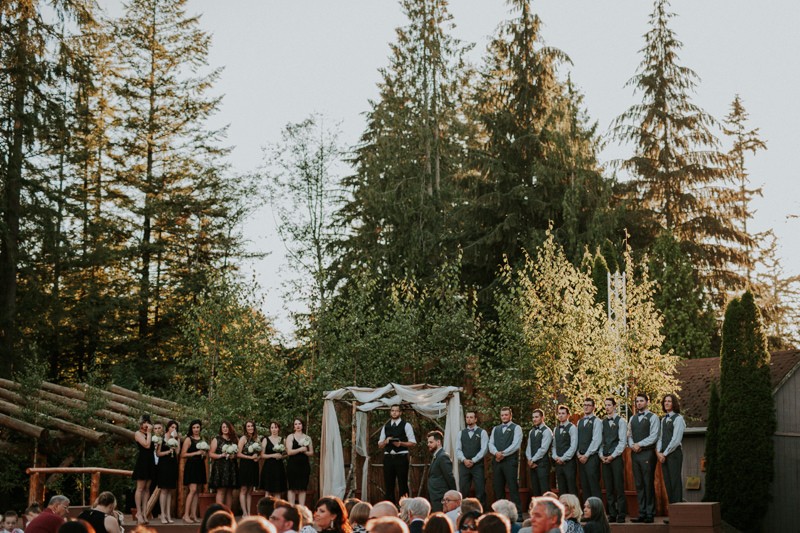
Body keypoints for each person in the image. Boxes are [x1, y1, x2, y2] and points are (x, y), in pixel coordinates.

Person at [628, 393, 659, 524]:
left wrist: (639, 444)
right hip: (635, 454)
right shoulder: (632, 418)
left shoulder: (653, 417)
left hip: (647, 453)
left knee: (648, 483)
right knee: (639, 484)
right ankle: (642, 512)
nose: (639, 403)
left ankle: (650, 513)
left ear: (647, 402)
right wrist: (632, 445)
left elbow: (654, 436)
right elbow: (628, 435)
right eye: (637, 401)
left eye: (641, 401)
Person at [488, 407, 522, 517]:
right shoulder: (496, 429)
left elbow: (516, 444)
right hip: (497, 461)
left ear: (510, 416)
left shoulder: (516, 428)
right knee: (498, 488)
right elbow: (490, 444)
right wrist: (496, 453)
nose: (504, 417)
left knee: (513, 488)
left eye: (506, 415)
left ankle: (518, 515)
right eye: (502, 415)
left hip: (510, 462)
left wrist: (503, 454)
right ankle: (500, 514)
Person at [379, 405, 416, 504]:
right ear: (390, 412)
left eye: (396, 411)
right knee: (388, 485)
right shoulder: (385, 426)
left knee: (403, 484)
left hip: (401, 458)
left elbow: (413, 442)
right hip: (388, 458)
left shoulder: (406, 425)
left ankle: (404, 507)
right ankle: (389, 508)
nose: (394, 412)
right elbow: (380, 445)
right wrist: (386, 441)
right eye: (392, 411)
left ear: (400, 413)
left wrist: (401, 443)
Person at [599, 398, 626, 524]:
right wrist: (601, 456)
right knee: (608, 487)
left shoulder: (621, 421)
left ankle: (621, 514)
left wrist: (612, 456)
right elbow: (601, 441)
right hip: (605, 458)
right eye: (606, 405)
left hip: (616, 458)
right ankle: (612, 513)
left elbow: (622, 442)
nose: (607, 407)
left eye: (609, 405)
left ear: (614, 406)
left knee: (618, 486)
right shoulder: (602, 422)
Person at [657, 393, 685, 510]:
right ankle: (672, 512)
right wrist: (659, 452)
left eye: (669, 401)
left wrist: (665, 453)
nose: (666, 403)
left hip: (674, 454)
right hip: (664, 455)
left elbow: (676, 439)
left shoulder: (678, 418)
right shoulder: (663, 419)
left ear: (674, 403)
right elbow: (660, 437)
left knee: (675, 482)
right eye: (665, 401)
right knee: (668, 483)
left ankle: (678, 511)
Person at [456, 411, 487, 507]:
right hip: (464, 465)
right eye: (467, 417)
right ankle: (463, 512)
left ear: (476, 419)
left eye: (471, 417)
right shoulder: (461, 433)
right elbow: (458, 449)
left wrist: (473, 460)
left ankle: (480, 514)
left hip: (477, 465)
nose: (469, 419)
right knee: (463, 490)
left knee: (480, 490)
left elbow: (484, 449)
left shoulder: (482, 432)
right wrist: (464, 460)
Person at [576, 398, 602, 502]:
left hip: (592, 457)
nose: (586, 407)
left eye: (588, 405)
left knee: (593, 485)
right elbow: (577, 439)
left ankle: (597, 512)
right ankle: (588, 512)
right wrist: (578, 454)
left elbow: (596, 439)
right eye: (584, 405)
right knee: (584, 485)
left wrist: (586, 455)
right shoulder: (579, 422)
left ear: (593, 407)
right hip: (581, 457)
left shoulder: (597, 421)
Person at [182, 418, 208, 523]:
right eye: (194, 427)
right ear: (191, 429)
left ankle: (193, 515)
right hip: (191, 466)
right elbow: (183, 454)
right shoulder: (188, 439)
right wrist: (196, 453)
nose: (196, 429)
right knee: (192, 490)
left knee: (197, 491)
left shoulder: (202, 439)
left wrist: (204, 454)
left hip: (200, 465)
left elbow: (205, 455)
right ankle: (186, 515)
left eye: (197, 427)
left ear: (200, 428)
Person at [209, 420, 239, 507]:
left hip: (231, 467)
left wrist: (234, 456)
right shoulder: (217, 439)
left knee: (230, 491)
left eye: (227, 427)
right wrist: (221, 455)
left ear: (230, 428)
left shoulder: (234, 440)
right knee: (221, 491)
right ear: (221, 429)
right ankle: (219, 513)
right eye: (223, 427)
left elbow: (238, 453)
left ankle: (228, 513)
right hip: (220, 467)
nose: (225, 429)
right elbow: (211, 454)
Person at [156, 419, 180, 523]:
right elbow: (158, 453)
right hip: (163, 465)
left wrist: (175, 440)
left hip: (172, 465)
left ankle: (168, 515)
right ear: (168, 427)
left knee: (170, 490)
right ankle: (162, 515)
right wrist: (167, 452)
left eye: (175, 428)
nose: (173, 429)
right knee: (164, 490)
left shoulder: (176, 438)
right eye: (172, 427)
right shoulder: (162, 438)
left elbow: (178, 453)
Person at [427, 431, 457, 512]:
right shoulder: (437, 456)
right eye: (428, 442)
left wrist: (453, 494)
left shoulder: (443, 456)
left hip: (440, 496)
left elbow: (449, 477)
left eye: (431, 442)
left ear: (438, 442)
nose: (428, 444)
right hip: (435, 496)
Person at [524, 409, 552, 498]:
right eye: (533, 417)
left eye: (536, 417)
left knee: (544, 489)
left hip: (542, 464)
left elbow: (543, 449)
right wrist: (529, 459)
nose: (534, 419)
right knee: (535, 489)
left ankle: (547, 511)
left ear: (542, 418)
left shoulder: (547, 431)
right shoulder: (531, 431)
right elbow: (528, 447)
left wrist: (533, 460)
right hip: (532, 464)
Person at [132, 414, 154, 524]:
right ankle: (138, 513)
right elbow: (146, 445)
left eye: (148, 422)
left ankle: (145, 513)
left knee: (147, 489)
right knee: (140, 488)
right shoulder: (138, 433)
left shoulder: (151, 434)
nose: (146, 425)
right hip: (142, 462)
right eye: (144, 422)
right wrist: (149, 433)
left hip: (150, 462)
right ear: (141, 423)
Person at [286, 418, 314, 505]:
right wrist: (300, 449)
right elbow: (289, 452)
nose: (298, 426)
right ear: (294, 426)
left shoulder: (307, 437)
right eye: (296, 424)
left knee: (302, 488)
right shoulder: (290, 437)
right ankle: (291, 508)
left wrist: (305, 451)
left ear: (302, 425)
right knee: (292, 488)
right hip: (293, 466)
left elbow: (311, 453)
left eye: (299, 424)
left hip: (304, 466)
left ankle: (301, 509)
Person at [551, 405, 577, 496]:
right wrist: (555, 457)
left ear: (568, 415)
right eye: (559, 413)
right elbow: (554, 446)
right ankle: (564, 509)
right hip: (558, 463)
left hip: (569, 463)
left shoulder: (572, 428)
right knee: (561, 489)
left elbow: (573, 446)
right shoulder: (555, 429)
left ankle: (574, 509)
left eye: (563, 413)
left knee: (571, 488)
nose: (561, 415)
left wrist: (564, 458)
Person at [239, 420, 261, 517]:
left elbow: (260, 453)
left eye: (252, 426)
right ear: (245, 428)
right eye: (248, 426)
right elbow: (238, 453)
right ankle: (244, 512)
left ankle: (249, 512)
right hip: (245, 464)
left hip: (254, 465)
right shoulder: (243, 438)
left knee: (250, 490)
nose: (250, 428)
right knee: (244, 489)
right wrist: (249, 457)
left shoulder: (257, 439)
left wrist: (258, 458)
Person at [261, 421, 288, 497]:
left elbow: (287, 453)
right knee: (268, 491)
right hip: (268, 467)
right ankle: (267, 508)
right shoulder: (266, 440)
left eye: (275, 427)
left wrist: (282, 456)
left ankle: (278, 508)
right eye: (272, 427)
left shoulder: (283, 440)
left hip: (279, 467)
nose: (274, 429)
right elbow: (262, 455)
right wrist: (273, 455)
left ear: (278, 429)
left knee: (278, 491)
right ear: (270, 429)